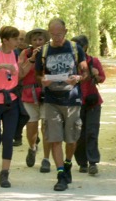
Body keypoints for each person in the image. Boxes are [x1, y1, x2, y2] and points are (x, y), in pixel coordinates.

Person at [36, 18, 88, 192]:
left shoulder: (75, 48)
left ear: (65, 32)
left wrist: (78, 78)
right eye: (53, 34)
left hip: (72, 100)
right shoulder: (44, 51)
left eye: (59, 34)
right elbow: (38, 74)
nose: (56, 37)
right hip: (51, 100)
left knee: (71, 139)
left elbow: (85, 72)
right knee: (55, 139)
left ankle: (67, 164)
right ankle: (60, 175)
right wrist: (42, 81)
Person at [0, 26, 27, 187]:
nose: (17, 42)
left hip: (12, 101)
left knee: (8, 138)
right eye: (15, 39)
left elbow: (20, 74)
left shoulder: (16, 54)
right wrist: (1, 67)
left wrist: (28, 62)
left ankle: (5, 173)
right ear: (6, 40)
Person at [72, 35, 106, 176]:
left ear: (84, 47)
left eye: (77, 46)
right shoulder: (69, 63)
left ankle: (93, 162)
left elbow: (102, 78)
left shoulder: (93, 61)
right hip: (75, 102)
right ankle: (82, 162)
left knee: (92, 132)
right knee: (78, 134)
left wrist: (95, 75)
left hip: (93, 102)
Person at [20, 27, 49, 172]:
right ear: (30, 42)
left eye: (40, 39)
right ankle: (32, 147)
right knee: (31, 126)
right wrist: (32, 59)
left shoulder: (51, 52)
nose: (38, 42)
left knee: (46, 126)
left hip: (46, 93)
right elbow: (20, 74)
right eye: (35, 40)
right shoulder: (25, 53)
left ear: (45, 40)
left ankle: (46, 158)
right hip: (28, 93)